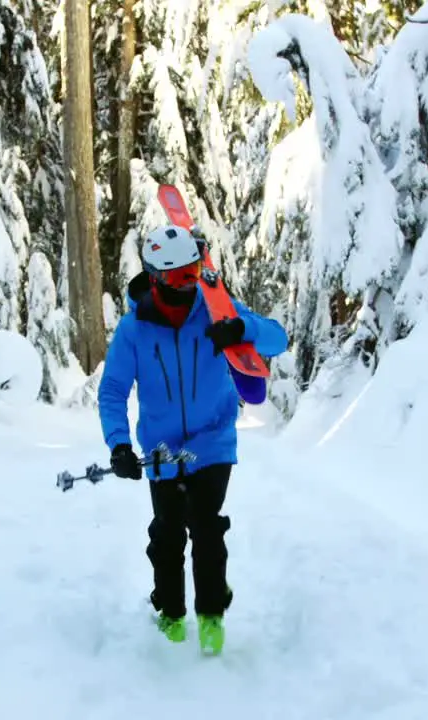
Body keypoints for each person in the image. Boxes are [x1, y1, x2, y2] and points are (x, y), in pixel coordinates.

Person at [97, 224, 288, 654]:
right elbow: (112, 390)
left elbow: (278, 337)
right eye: (182, 276)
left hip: (213, 440)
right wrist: (119, 444)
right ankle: (169, 612)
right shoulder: (134, 330)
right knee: (167, 534)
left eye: (195, 271)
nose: (191, 282)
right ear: (159, 278)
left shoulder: (214, 309)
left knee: (206, 529)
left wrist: (242, 330)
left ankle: (211, 616)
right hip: (162, 452)